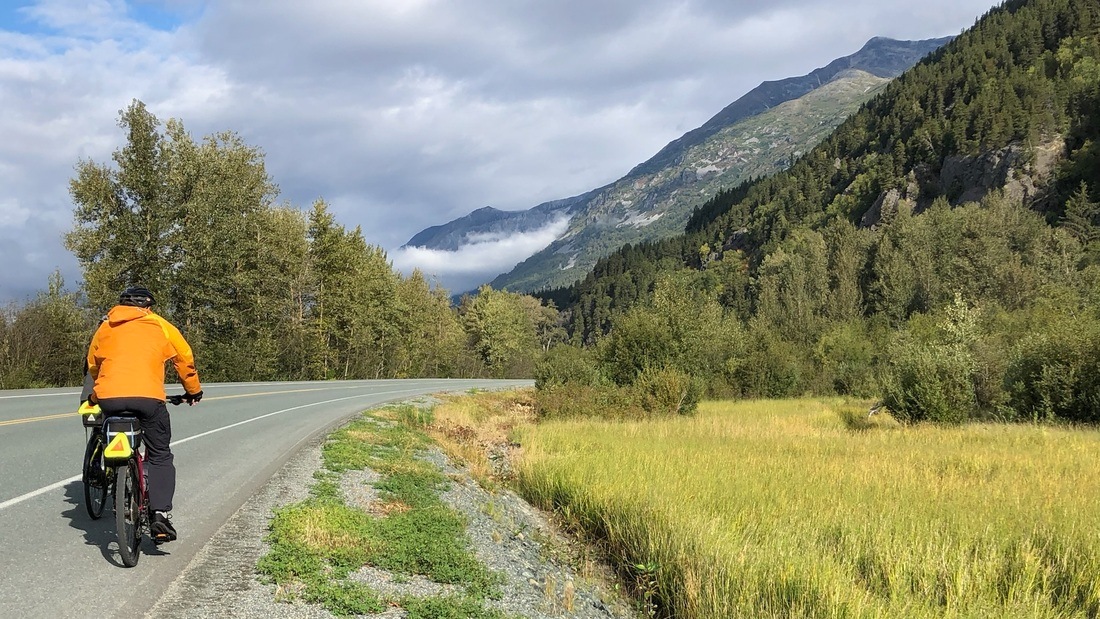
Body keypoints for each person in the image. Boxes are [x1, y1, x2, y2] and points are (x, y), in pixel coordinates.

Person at [83, 286, 203, 543]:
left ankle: (114, 473)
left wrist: (102, 386)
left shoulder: (106, 326)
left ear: (121, 304)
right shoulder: (160, 325)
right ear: (148, 306)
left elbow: (93, 363)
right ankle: (159, 514)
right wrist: (193, 391)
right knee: (160, 453)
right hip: (148, 398)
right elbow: (184, 359)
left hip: (109, 398)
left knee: (108, 429)